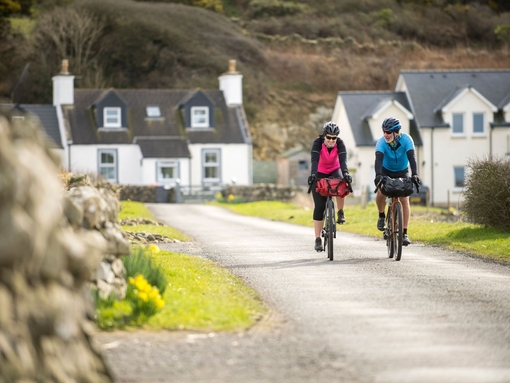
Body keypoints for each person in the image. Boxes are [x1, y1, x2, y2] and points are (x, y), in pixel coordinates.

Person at [374, 117, 420, 246]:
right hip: (385, 170)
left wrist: (415, 174)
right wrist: (378, 175)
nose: (385, 135)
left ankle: (404, 232)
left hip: (402, 171)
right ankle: (382, 216)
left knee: (404, 199)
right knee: (381, 192)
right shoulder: (381, 142)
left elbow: (412, 158)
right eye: (384, 131)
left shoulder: (406, 139)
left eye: (388, 132)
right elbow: (378, 160)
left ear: (396, 132)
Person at [308, 121, 352, 251]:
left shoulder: (340, 143)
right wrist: (313, 174)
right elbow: (314, 160)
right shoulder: (317, 143)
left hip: (335, 169)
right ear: (324, 136)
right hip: (320, 171)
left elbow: (343, 161)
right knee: (319, 206)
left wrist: (346, 174)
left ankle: (340, 211)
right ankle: (317, 239)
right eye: (329, 138)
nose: (332, 140)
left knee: (341, 183)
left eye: (334, 138)